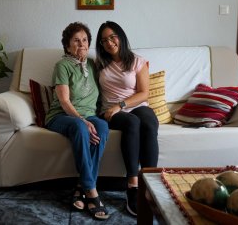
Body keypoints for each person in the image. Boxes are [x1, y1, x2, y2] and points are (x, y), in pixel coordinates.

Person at [45, 22, 110, 220]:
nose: (81, 44)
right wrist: (82, 120)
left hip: (90, 115)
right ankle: (92, 191)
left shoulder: (92, 64)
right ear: (67, 45)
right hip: (61, 116)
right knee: (82, 128)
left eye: (84, 40)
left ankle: (81, 187)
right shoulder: (62, 65)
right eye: (76, 40)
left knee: (103, 126)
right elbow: (64, 101)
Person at [95, 21, 159, 216]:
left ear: (121, 37)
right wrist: (113, 109)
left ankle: (149, 183)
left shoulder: (137, 61)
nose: (109, 42)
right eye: (104, 40)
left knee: (148, 120)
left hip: (133, 105)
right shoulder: (99, 64)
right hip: (110, 112)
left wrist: (121, 105)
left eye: (112, 37)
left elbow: (144, 93)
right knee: (132, 122)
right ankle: (132, 185)